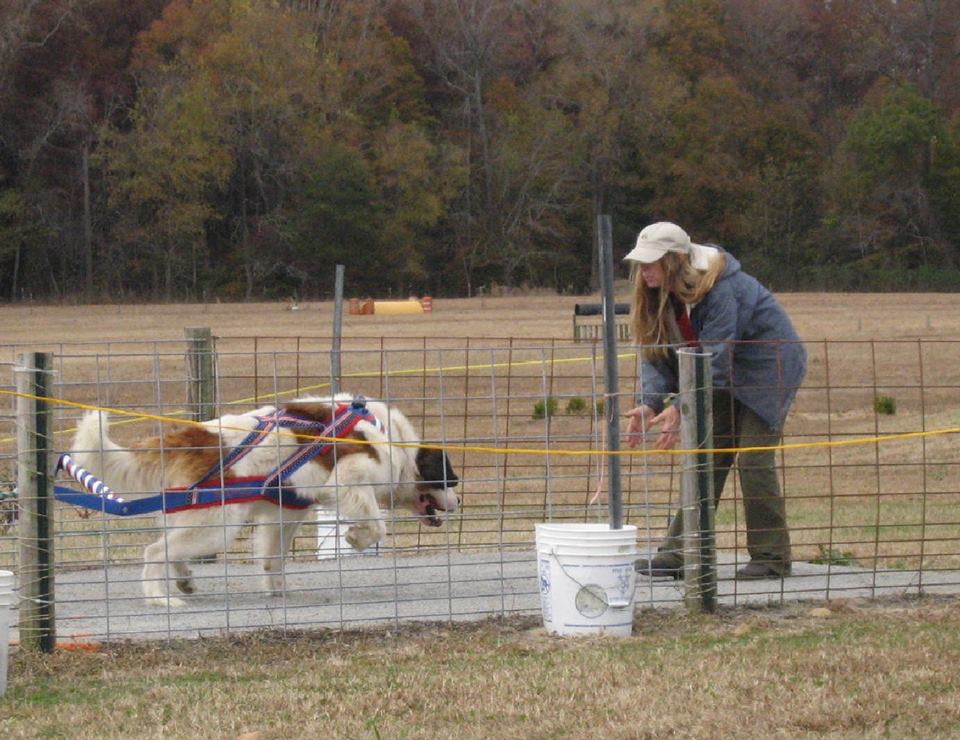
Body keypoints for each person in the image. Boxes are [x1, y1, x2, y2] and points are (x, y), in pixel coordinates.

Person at [623, 222, 806, 580]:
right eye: (640, 262)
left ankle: (771, 558)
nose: (643, 270)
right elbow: (657, 353)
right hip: (715, 375)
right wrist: (650, 403)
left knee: (754, 461)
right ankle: (679, 554)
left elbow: (715, 358)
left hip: (768, 371)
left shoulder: (724, 289)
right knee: (706, 457)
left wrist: (680, 406)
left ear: (675, 261)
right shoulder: (656, 294)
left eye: (651, 262)